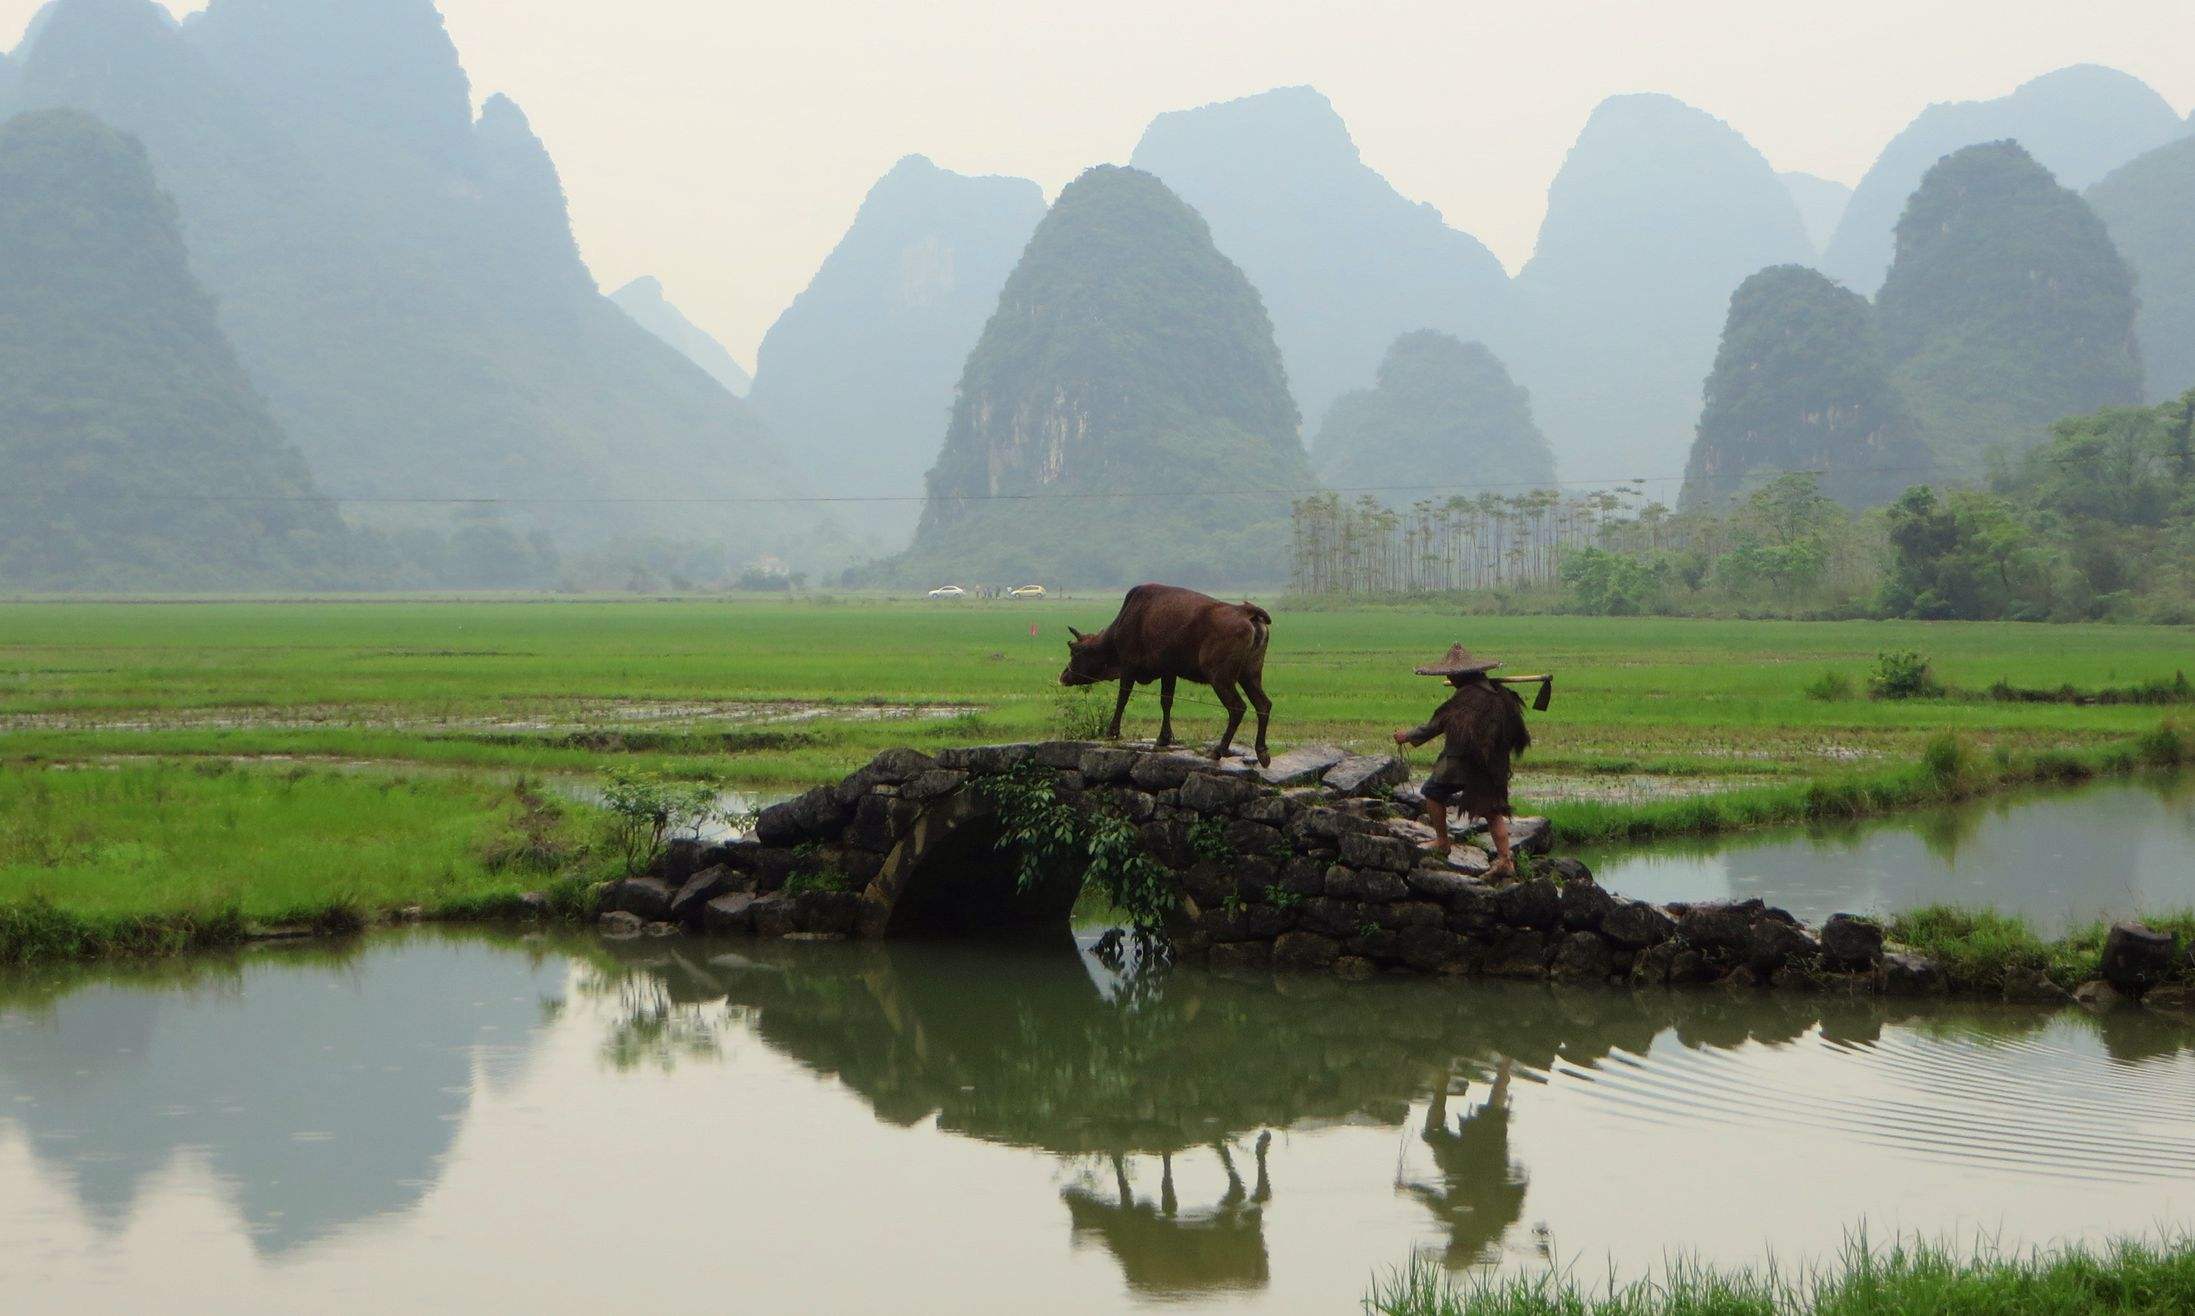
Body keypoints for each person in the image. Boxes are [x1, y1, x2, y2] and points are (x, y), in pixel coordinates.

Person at [1392, 644, 1531, 878]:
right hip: (1492, 764)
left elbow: (1436, 725)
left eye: (1450, 673)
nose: (1448, 677)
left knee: (1433, 792)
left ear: (1460, 675)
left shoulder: (1467, 698)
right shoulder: (1497, 695)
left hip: (1464, 762)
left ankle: (1442, 842)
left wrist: (1407, 736)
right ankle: (1506, 859)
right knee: (1493, 810)